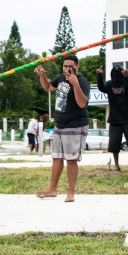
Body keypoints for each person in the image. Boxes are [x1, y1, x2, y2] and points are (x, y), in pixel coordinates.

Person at [34, 55, 90, 202]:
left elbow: (82, 103)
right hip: (60, 125)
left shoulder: (82, 81)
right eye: (65, 66)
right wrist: (43, 75)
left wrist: (76, 84)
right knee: (57, 158)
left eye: (70, 66)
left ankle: (71, 193)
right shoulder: (60, 78)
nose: (67, 69)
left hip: (75, 125)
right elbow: (47, 87)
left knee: (71, 159)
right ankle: (52, 190)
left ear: (77, 67)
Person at [96, 65, 128, 172]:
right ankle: (116, 165)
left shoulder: (126, 83)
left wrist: (127, 77)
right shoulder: (109, 84)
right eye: (114, 72)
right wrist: (99, 75)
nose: (116, 74)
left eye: (119, 72)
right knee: (114, 143)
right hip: (114, 119)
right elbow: (101, 87)